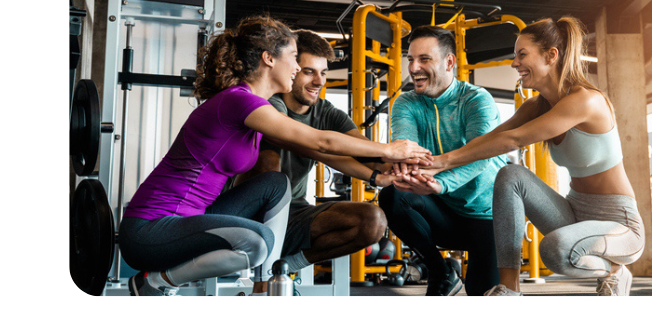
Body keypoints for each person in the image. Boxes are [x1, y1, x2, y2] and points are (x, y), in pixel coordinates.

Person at [119, 15, 430, 296]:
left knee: (275, 183)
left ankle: (271, 276)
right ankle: (156, 283)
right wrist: (389, 149)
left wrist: (384, 172)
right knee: (257, 242)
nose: (297, 68)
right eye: (295, 58)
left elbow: (318, 148)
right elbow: (321, 143)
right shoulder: (239, 102)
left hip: (192, 219)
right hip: (152, 229)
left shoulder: (255, 106)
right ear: (268, 58)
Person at [409, 16, 645, 296]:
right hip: (573, 213)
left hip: (619, 224)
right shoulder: (538, 105)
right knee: (510, 174)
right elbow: (492, 138)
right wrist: (433, 166)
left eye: (522, 55)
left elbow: (513, 140)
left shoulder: (586, 101)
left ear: (551, 55)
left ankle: (616, 270)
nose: (514, 63)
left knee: (554, 250)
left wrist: (438, 164)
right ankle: (509, 289)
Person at [233, 29, 400, 273]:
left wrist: (401, 165)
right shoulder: (270, 102)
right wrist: (384, 157)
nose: (319, 81)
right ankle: (256, 254)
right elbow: (316, 143)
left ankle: (290, 263)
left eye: (323, 73)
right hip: (247, 213)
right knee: (270, 163)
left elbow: (367, 152)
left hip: (295, 211)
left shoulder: (326, 112)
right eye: (309, 72)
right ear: (291, 68)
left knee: (372, 221)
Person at [378, 25, 507, 296]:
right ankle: (440, 271)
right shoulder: (406, 103)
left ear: (449, 62)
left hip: (487, 216)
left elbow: (481, 155)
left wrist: (442, 184)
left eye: (424, 59)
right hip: (443, 213)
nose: (413, 68)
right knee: (393, 195)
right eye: (410, 59)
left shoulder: (476, 100)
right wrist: (408, 170)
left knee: (482, 294)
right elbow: (408, 152)